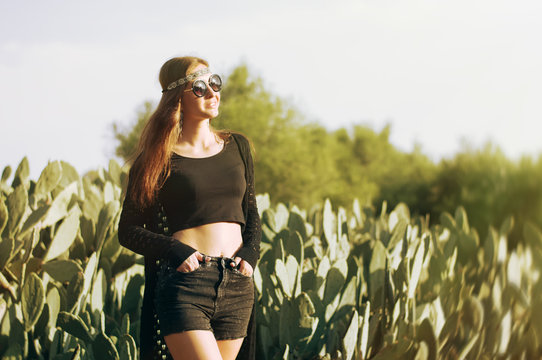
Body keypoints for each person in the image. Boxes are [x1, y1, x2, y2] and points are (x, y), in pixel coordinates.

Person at [118, 56, 261, 360]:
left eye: (215, 82)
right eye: (199, 86)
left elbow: (251, 214)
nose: (212, 92)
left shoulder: (238, 147)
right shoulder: (156, 161)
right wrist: (174, 250)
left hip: (237, 284)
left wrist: (250, 255)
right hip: (188, 284)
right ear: (176, 97)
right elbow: (128, 230)